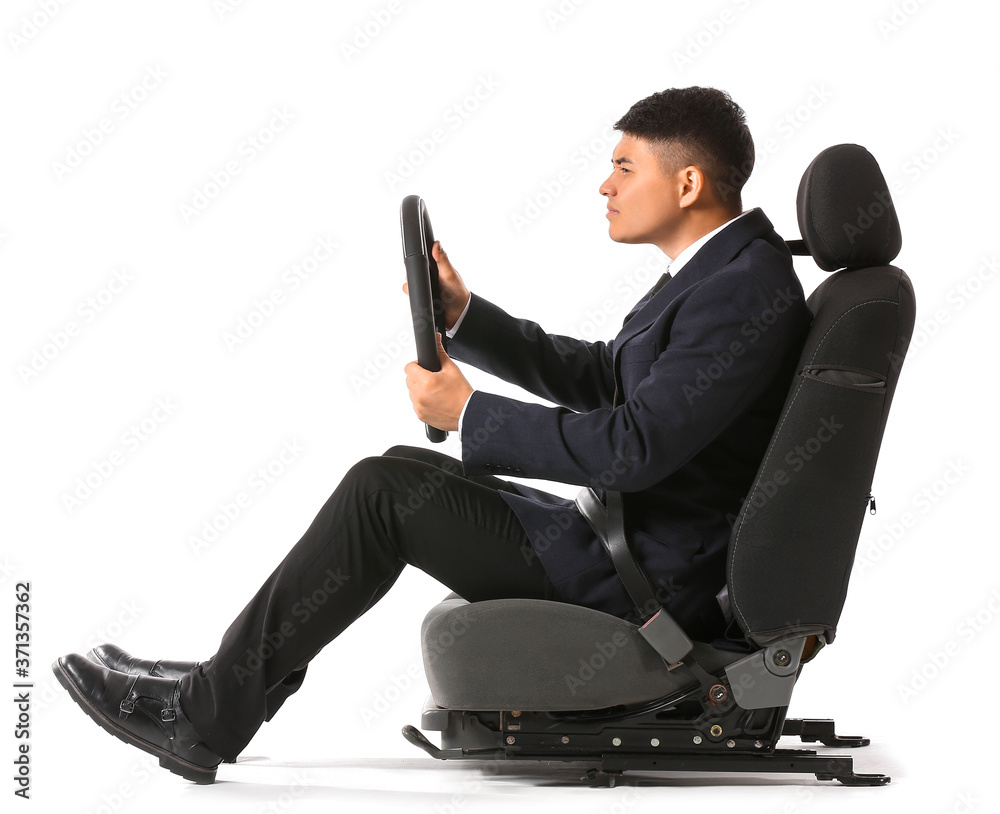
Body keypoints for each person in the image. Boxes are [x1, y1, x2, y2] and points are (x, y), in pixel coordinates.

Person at [52, 86, 812, 784]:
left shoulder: (742, 289)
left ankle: (201, 715)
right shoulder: (723, 270)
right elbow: (608, 377)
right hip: (623, 544)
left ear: (687, 184)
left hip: (640, 582)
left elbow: (634, 447)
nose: (605, 186)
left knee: (383, 494)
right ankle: (225, 682)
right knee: (399, 468)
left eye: (623, 167)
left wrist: (471, 414)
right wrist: (464, 317)